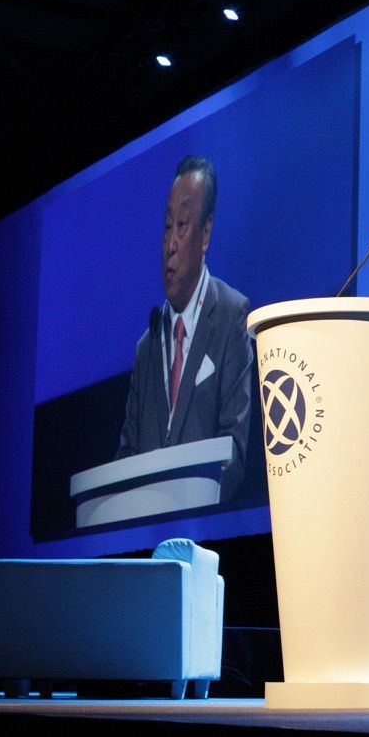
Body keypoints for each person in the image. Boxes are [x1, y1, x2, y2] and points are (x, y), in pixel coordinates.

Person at [115, 155, 253, 502]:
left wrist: (183, 505)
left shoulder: (231, 315)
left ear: (205, 233)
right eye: (166, 227)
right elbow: (128, 453)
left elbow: (233, 450)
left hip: (204, 536)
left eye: (182, 225)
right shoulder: (148, 344)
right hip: (147, 541)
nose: (170, 246)